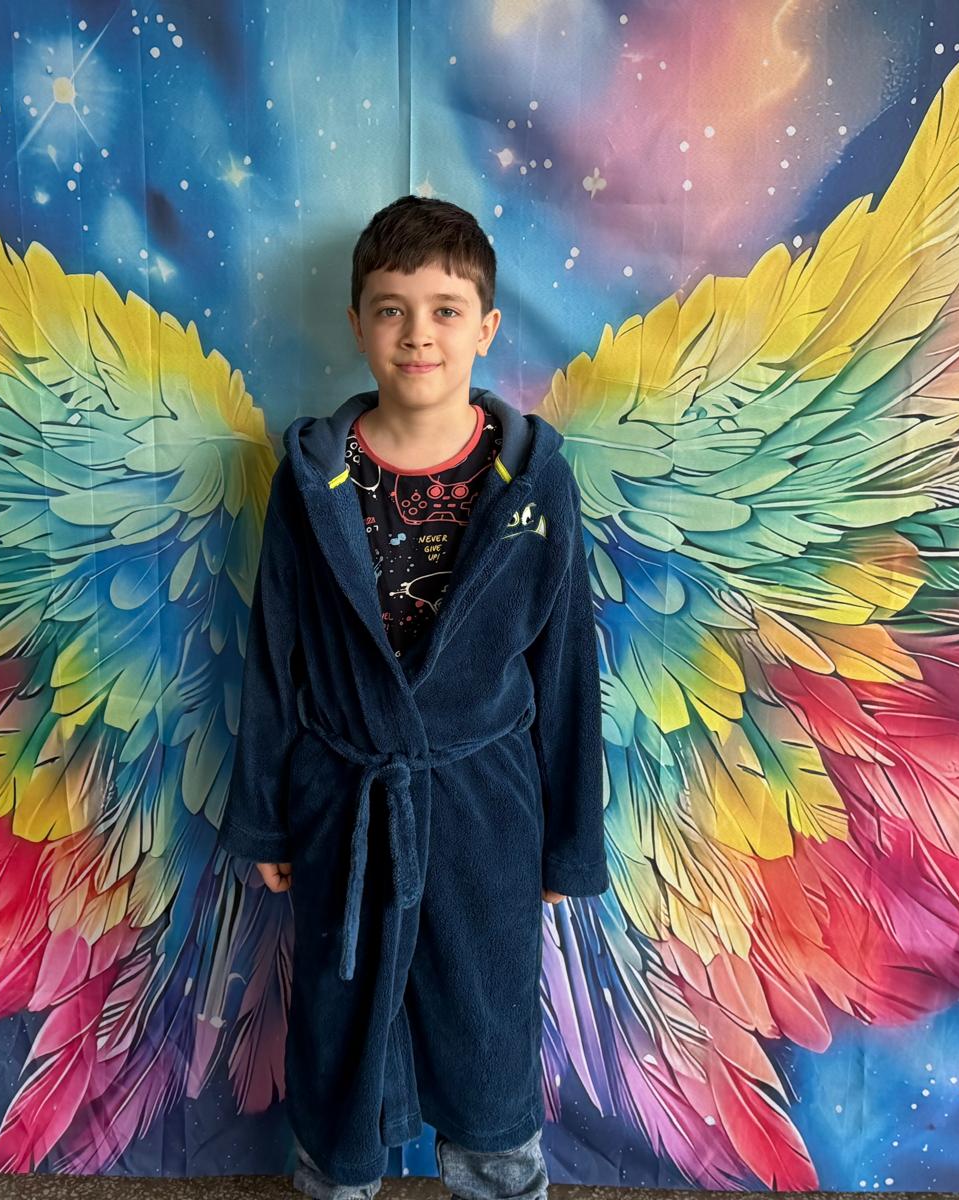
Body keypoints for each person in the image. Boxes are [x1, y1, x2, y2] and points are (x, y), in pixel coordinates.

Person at [217, 194, 609, 1200]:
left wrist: (568, 842)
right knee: (340, 1024)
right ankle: (337, 1179)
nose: (417, 334)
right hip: (344, 796)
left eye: (444, 310)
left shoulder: (534, 483)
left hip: (486, 807)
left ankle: (499, 1177)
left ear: (486, 326)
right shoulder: (311, 478)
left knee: (486, 1030)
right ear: (357, 324)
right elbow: (274, 655)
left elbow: (566, 667)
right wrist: (264, 819)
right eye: (391, 309)